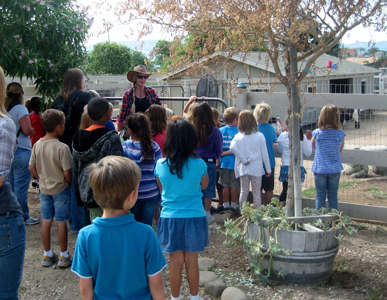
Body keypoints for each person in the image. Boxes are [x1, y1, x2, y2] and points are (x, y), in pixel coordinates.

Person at [72, 156, 166, 300]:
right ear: (131, 196)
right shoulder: (146, 233)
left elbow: (85, 287)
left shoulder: (85, 236)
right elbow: (156, 282)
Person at [155, 119, 209, 300]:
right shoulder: (200, 164)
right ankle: (195, 297)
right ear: (192, 139)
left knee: (175, 262)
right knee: (192, 261)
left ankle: (175, 298)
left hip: (170, 217)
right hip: (194, 215)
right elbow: (205, 185)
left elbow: (162, 189)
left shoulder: (161, 165)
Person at [28, 109, 73, 268]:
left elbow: (31, 167)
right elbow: (67, 172)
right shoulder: (62, 148)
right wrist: (68, 182)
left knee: (46, 221)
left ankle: (47, 254)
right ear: (59, 127)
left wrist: (39, 178)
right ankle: (63, 255)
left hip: (44, 189)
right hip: (60, 188)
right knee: (61, 222)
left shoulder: (37, 145)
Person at [51, 68, 92, 233]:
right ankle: (79, 224)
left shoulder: (58, 100)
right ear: (78, 80)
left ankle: (67, 221)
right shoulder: (85, 97)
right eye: (83, 78)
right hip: (79, 145)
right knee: (79, 185)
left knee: (64, 185)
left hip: (60, 146)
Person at [72, 97, 124, 220]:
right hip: (107, 195)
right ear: (108, 113)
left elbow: (75, 168)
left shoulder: (78, 137)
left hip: (85, 191)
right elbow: (118, 168)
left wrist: (78, 195)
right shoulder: (111, 138)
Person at [0, 66, 26, 300]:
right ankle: (25, 211)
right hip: (4, 214)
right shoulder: (16, 113)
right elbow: (26, 129)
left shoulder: (8, 115)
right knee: (19, 186)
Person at [5, 82, 39, 225]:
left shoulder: (5, 109)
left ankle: (11, 214)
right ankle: (22, 215)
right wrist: (31, 131)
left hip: (9, 150)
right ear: (20, 94)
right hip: (21, 150)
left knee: (11, 185)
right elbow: (26, 130)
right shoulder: (20, 109)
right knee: (20, 186)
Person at [122, 113, 162, 226]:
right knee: (146, 225)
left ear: (130, 130)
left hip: (131, 194)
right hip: (150, 193)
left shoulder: (125, 147)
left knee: (131, 225)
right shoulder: (154, 147)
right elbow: (159, 171)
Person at [230, 110, 271, 209]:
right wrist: (268, 169)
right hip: (256, 168)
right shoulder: (259, 136)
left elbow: (232, 148)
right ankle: (257, 213)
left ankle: (243, 212)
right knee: (256, 192)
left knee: (244, 191)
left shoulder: (238, 136)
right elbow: (265, 154)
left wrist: (243, 160)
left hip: (244, 168)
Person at [192, 101, 223, 224]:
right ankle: (206, 213)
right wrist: (215, 157)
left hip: (194, 161)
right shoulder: (215, 131)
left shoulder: (192, 129)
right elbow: (219, 149)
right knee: (209, 188)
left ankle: (197, 211)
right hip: (209, 162)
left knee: (196, 187)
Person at [312, 104, 346, 211]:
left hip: (320, 169)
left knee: (320, 195)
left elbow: (313, 146)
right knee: (333, 196)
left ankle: (320, 220)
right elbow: (340, 149)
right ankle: (333, 219)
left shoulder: (317, 133)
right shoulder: (340, 134)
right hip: (334, 169)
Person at [277, 118, 313, 205]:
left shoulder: (283, 135)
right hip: (297, 167)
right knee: (296, 190)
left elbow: (280, 149)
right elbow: (308, 153)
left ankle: (281, 208)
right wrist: (308, 139)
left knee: (285, 189)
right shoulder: (302, 137)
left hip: (286, 166)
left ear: (287, 125)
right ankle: (295, 209)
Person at [118, 65, 162, 131]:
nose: (143, 79)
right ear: (135, 77)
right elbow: (122, 117)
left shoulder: (151, 92)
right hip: (133, 130)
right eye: (140, 76)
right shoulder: (128, 94)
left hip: (149, 129)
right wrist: (119, 133)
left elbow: (160, 109)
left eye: (145, 77)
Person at [253, 102, 277, 205]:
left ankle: (258, 207)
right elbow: (273, 142)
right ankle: (268, 208)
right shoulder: (271, 128)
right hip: (269, 162)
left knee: (257, 188)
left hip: (256, 163)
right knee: (269, 188)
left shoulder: (253, 129)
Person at [218, 107, 240, 212]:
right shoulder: (239, 132)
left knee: (225, 185)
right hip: (236, 163)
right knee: (234, 185)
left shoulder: (220, 131)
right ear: (235, 119)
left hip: (224, 163)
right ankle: (234, 206)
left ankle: (226, 205)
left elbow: (218, 149)